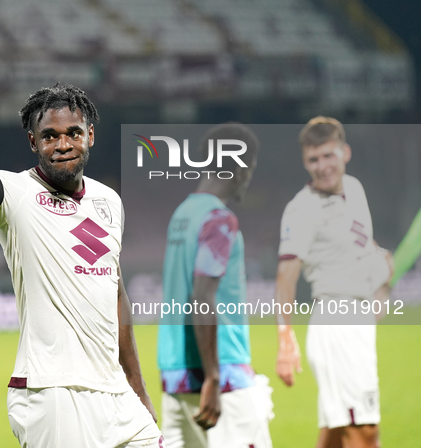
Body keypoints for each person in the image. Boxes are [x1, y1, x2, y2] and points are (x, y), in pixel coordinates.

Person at [0, 43, 164, 448]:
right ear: (33, 143)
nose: (63, 144)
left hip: (116, 395)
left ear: (90, 135)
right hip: (52, 392)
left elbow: (116, 294)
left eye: (73, 133)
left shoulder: (109, 201)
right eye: (49, 136)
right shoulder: (15, 193)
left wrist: (138, 388)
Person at [275, 117, 393, 448]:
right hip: (337, 326)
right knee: (365, 432)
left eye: (329, 156)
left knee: (336, 432)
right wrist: (286, 339)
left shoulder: (354, 188)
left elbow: (362, 246)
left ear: (345, 152)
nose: (322, 166)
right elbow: (286, 276)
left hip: (357, 320)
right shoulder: (302, 209)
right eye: (314, 159)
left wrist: (382, 266)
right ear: (305, 162)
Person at [157, 123, 273, 448]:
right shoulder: (219, 219)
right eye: (249, 166)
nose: (249, 176)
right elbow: (202, 296)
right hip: (221, 380)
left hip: (175, 376)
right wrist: (213, 376)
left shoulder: (182, 214)